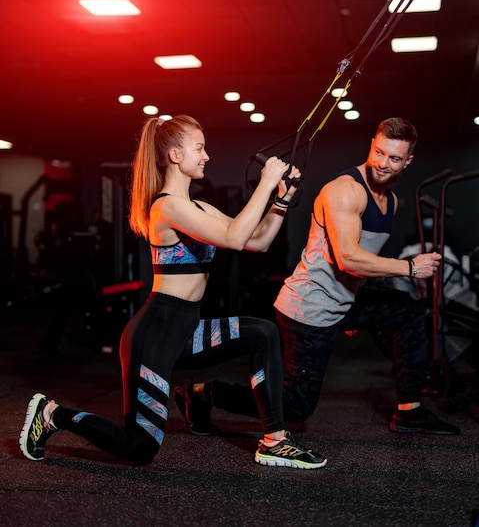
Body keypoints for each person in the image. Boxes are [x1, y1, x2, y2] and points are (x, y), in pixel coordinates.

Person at [19, 115, 327, 469]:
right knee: (139, 447)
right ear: (176, 156)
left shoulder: (199, 207)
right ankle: (53, 414)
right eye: (199, 148)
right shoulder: (167, 207)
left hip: (187, 330)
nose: (207, 155)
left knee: (264, 333)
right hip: (156, 333)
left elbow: (255, 241)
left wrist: (281, 200)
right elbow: (233, 238)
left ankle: (275, 440)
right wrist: (266, 182)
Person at [174, 117, 461, 436]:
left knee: (407, 312)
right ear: (372, 146)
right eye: (378, 152)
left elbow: (358, 264)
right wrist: (409, 267)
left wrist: (352, 307)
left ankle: (410, 411)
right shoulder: (345, 191)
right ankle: (200, 393)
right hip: (307, 309)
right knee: (296, 408)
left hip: (342, 301)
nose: (382, 163)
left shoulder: (389, 200)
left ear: (408, 161)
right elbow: (349, 258)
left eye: (393, 158)